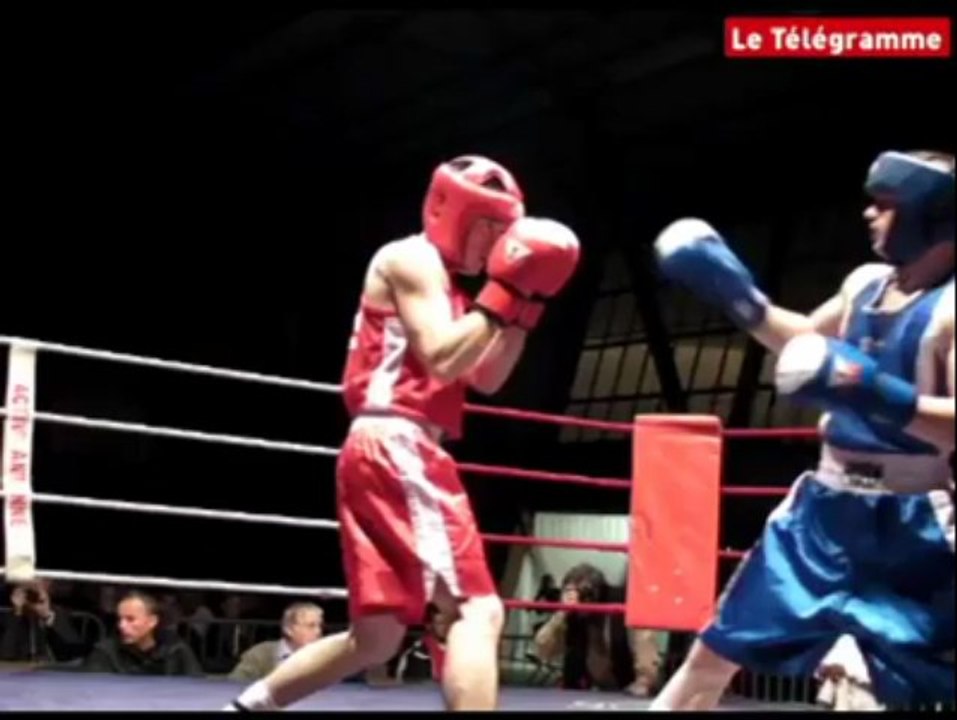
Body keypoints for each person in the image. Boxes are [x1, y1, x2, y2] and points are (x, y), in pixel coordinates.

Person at [224, 155, 580, 711]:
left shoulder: (454, 293)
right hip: (397, 443)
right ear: (455, 214)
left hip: (382, 450)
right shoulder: (411, 259)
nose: (498, 242)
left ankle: (247, 707)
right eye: (490, 226)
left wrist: (525, 302)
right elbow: (441, 356)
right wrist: (501, 295)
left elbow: (486, 377)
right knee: (477, 610)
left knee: (377, 638)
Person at [648, 149, 955, 710]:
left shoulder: (952, 309)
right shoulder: (865, 284)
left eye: (886, 204)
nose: (869, 213)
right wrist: (741, 297)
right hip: (822, 512)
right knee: (714, 653)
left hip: (914, 524)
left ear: (929, 214)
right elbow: (807, 345)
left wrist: (874, 391)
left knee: (908, 690)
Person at [532, 564, 664, 697]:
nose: (579, 599)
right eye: (571, 593)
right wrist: (561, 613)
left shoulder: (621, 603)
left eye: (585, 594)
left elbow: (644, 639)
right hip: (589, 689)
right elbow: (542, 650)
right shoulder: (571, 616)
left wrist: (645, 680)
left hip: (626, 684)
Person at [83, 590, 203, 676]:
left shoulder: (176, 650)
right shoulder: (106, 652)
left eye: (130, 619)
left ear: (152, 621)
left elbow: (196, 687)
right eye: (120, 619)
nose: (121, 625)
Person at [228, 602, 325, 682]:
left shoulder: (325, 656)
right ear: (289, 629)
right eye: (311, 626)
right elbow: (233, 685)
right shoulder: (260, 654)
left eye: (320, 626)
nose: (318, 631)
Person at [0, 579, 84, 663]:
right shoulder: (7, 615)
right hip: (20, 669)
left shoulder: (59, 612)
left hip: (52, 668)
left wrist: (47, 615)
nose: (34, 586)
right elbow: (5, 656)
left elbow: (76, 653)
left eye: (42, 581)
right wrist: (17, 613)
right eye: (29, 582)